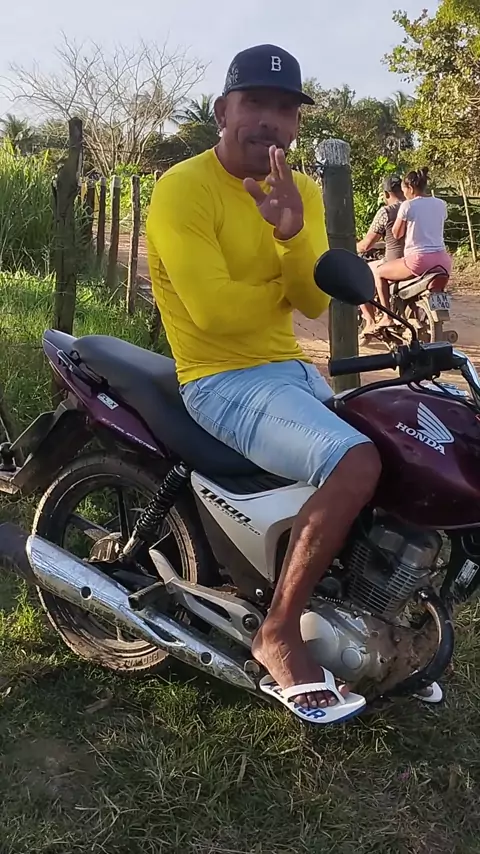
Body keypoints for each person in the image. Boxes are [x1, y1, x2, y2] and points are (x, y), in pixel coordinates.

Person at [146, 44, 381, 723]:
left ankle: (368, 618)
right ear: (223, 111)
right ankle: (277, 632)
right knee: (354, 461)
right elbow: (213, 313)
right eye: (255, 103)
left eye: (285, 108)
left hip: (291, 371)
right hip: (218, 378)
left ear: (297, 124)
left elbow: (308, 301)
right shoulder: (183, 188)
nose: (270, 120)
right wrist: (281, 285)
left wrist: (290, 235)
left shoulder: (298, 191)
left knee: (398, 447)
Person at [376, 167, 451, 320]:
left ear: (410, 188)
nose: (404, 194)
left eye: (404, 190)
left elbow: (397, 234)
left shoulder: (408, 205)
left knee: (379, 273)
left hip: (418, 261)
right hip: (443, 261)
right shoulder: (441, 204)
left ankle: (387, 317)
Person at [356, 175, 405, 339]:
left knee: (360, 275)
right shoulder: (413, 207)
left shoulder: (386, 212)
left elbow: (366, 245)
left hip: (394, 261)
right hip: (415, 258)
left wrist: (353, 247)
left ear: (386, 194)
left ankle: (371, 321)